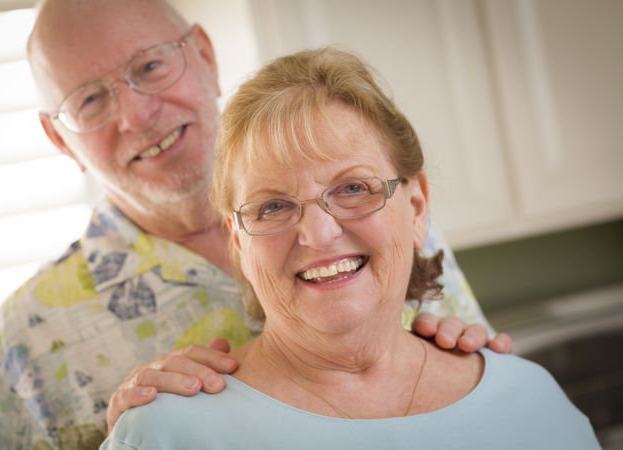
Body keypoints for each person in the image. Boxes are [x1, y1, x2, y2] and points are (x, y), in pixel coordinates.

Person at [0, 1, 510, 449]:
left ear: (205, 55)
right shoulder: (23, 341)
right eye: (90, 100)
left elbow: (475, 391)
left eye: (151, 67)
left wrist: (464, 359)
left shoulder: (371, 208)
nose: (136, 114)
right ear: (61, 139)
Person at [102, 47, 599, 450]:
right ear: (239, 241)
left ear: (417, 207)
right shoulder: (165, 434)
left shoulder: (529, 400)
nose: (317, 235)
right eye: (272, 207)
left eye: (353, 189)